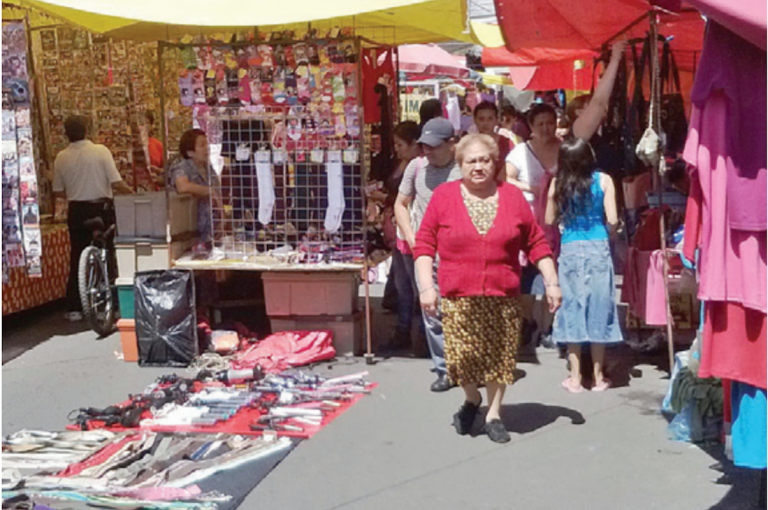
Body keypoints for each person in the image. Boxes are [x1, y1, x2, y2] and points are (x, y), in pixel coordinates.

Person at [414, 134, 561, 442]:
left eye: (485, 160)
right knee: (460, 359)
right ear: (461, 164)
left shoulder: (511, 197)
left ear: (495, 164)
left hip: (502, 294)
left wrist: (551, 281)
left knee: (499, 357)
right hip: (458, 294)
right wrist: (427, 286)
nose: (478, 167)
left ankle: (494, 414)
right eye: (472, 161)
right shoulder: (444, 196)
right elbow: (424, 245)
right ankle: (472, 398)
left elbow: (535, 242)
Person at [545, 137, 623, 393]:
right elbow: (612, 218)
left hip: (570, 246)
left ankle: (576, 377)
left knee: (572, 307)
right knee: (600, 305)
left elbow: (548, 218)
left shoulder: (558, 183)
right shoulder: (604, 181)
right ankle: (599, 377)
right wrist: (608, 230)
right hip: (598, 245)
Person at [394, 118, 461, 392]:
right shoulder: (416, 166)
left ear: (451, 144)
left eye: (435, 146)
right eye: (424, 146)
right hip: (427, 253)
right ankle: (445, 368)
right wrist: (411, 236)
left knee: (460, 309)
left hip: (459, 253)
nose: (428, 152)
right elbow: (400, 203)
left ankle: (465, 362)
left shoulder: (465, 167)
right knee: (432, 312)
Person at [53, 115, 132, 322]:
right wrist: (132, 192)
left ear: (66, 133)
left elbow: (59, 192)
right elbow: (116, 182)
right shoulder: (100, 151)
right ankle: (113, 303)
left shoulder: (61, 157)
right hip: (101, 208)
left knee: (76, 255)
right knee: (108, 253)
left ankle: (74, 307)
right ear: (87, 130)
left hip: (76, 210)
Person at [505, 103, 560, 346]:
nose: (547, 128)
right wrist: (533, 188)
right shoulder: (520, 151)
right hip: (526, 218)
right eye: (541, 124)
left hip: (555, 221)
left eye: (551, 123)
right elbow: (505, 178)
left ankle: (550, 327)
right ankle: (528, 322)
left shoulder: (564, 149)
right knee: (526, 274)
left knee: (553, 275)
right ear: (531, 127)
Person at [380, 121, 423, 349]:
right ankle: (404, 330)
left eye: (400, 144)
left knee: (416, 285)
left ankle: (422, 335)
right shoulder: (401, 164)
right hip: (399, 231)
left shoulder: (419, 167)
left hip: (412, 230)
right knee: (403, 284)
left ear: (414, 144)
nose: (396, 149)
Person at [170, 129, 219, 244]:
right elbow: (182, 186)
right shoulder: (181, 167)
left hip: (210, 230)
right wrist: (208, 191)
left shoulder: (209, 169)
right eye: (202, 145)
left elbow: (218, 193)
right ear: (190, 152)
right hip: (188, 233)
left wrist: (222, 219)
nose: (206, 148)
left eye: (207, 144)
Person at [472, 101, 511, 178]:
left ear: (496, 120)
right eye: (481, 119)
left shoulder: (507, 144)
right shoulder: (468, 144)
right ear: (474, 120)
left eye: (490, 119)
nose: (485, 123)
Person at [146, 111, 164, 189]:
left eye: (146, 123)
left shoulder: (158, 145)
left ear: (151, 126)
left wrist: (158, 171)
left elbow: (166, 171)